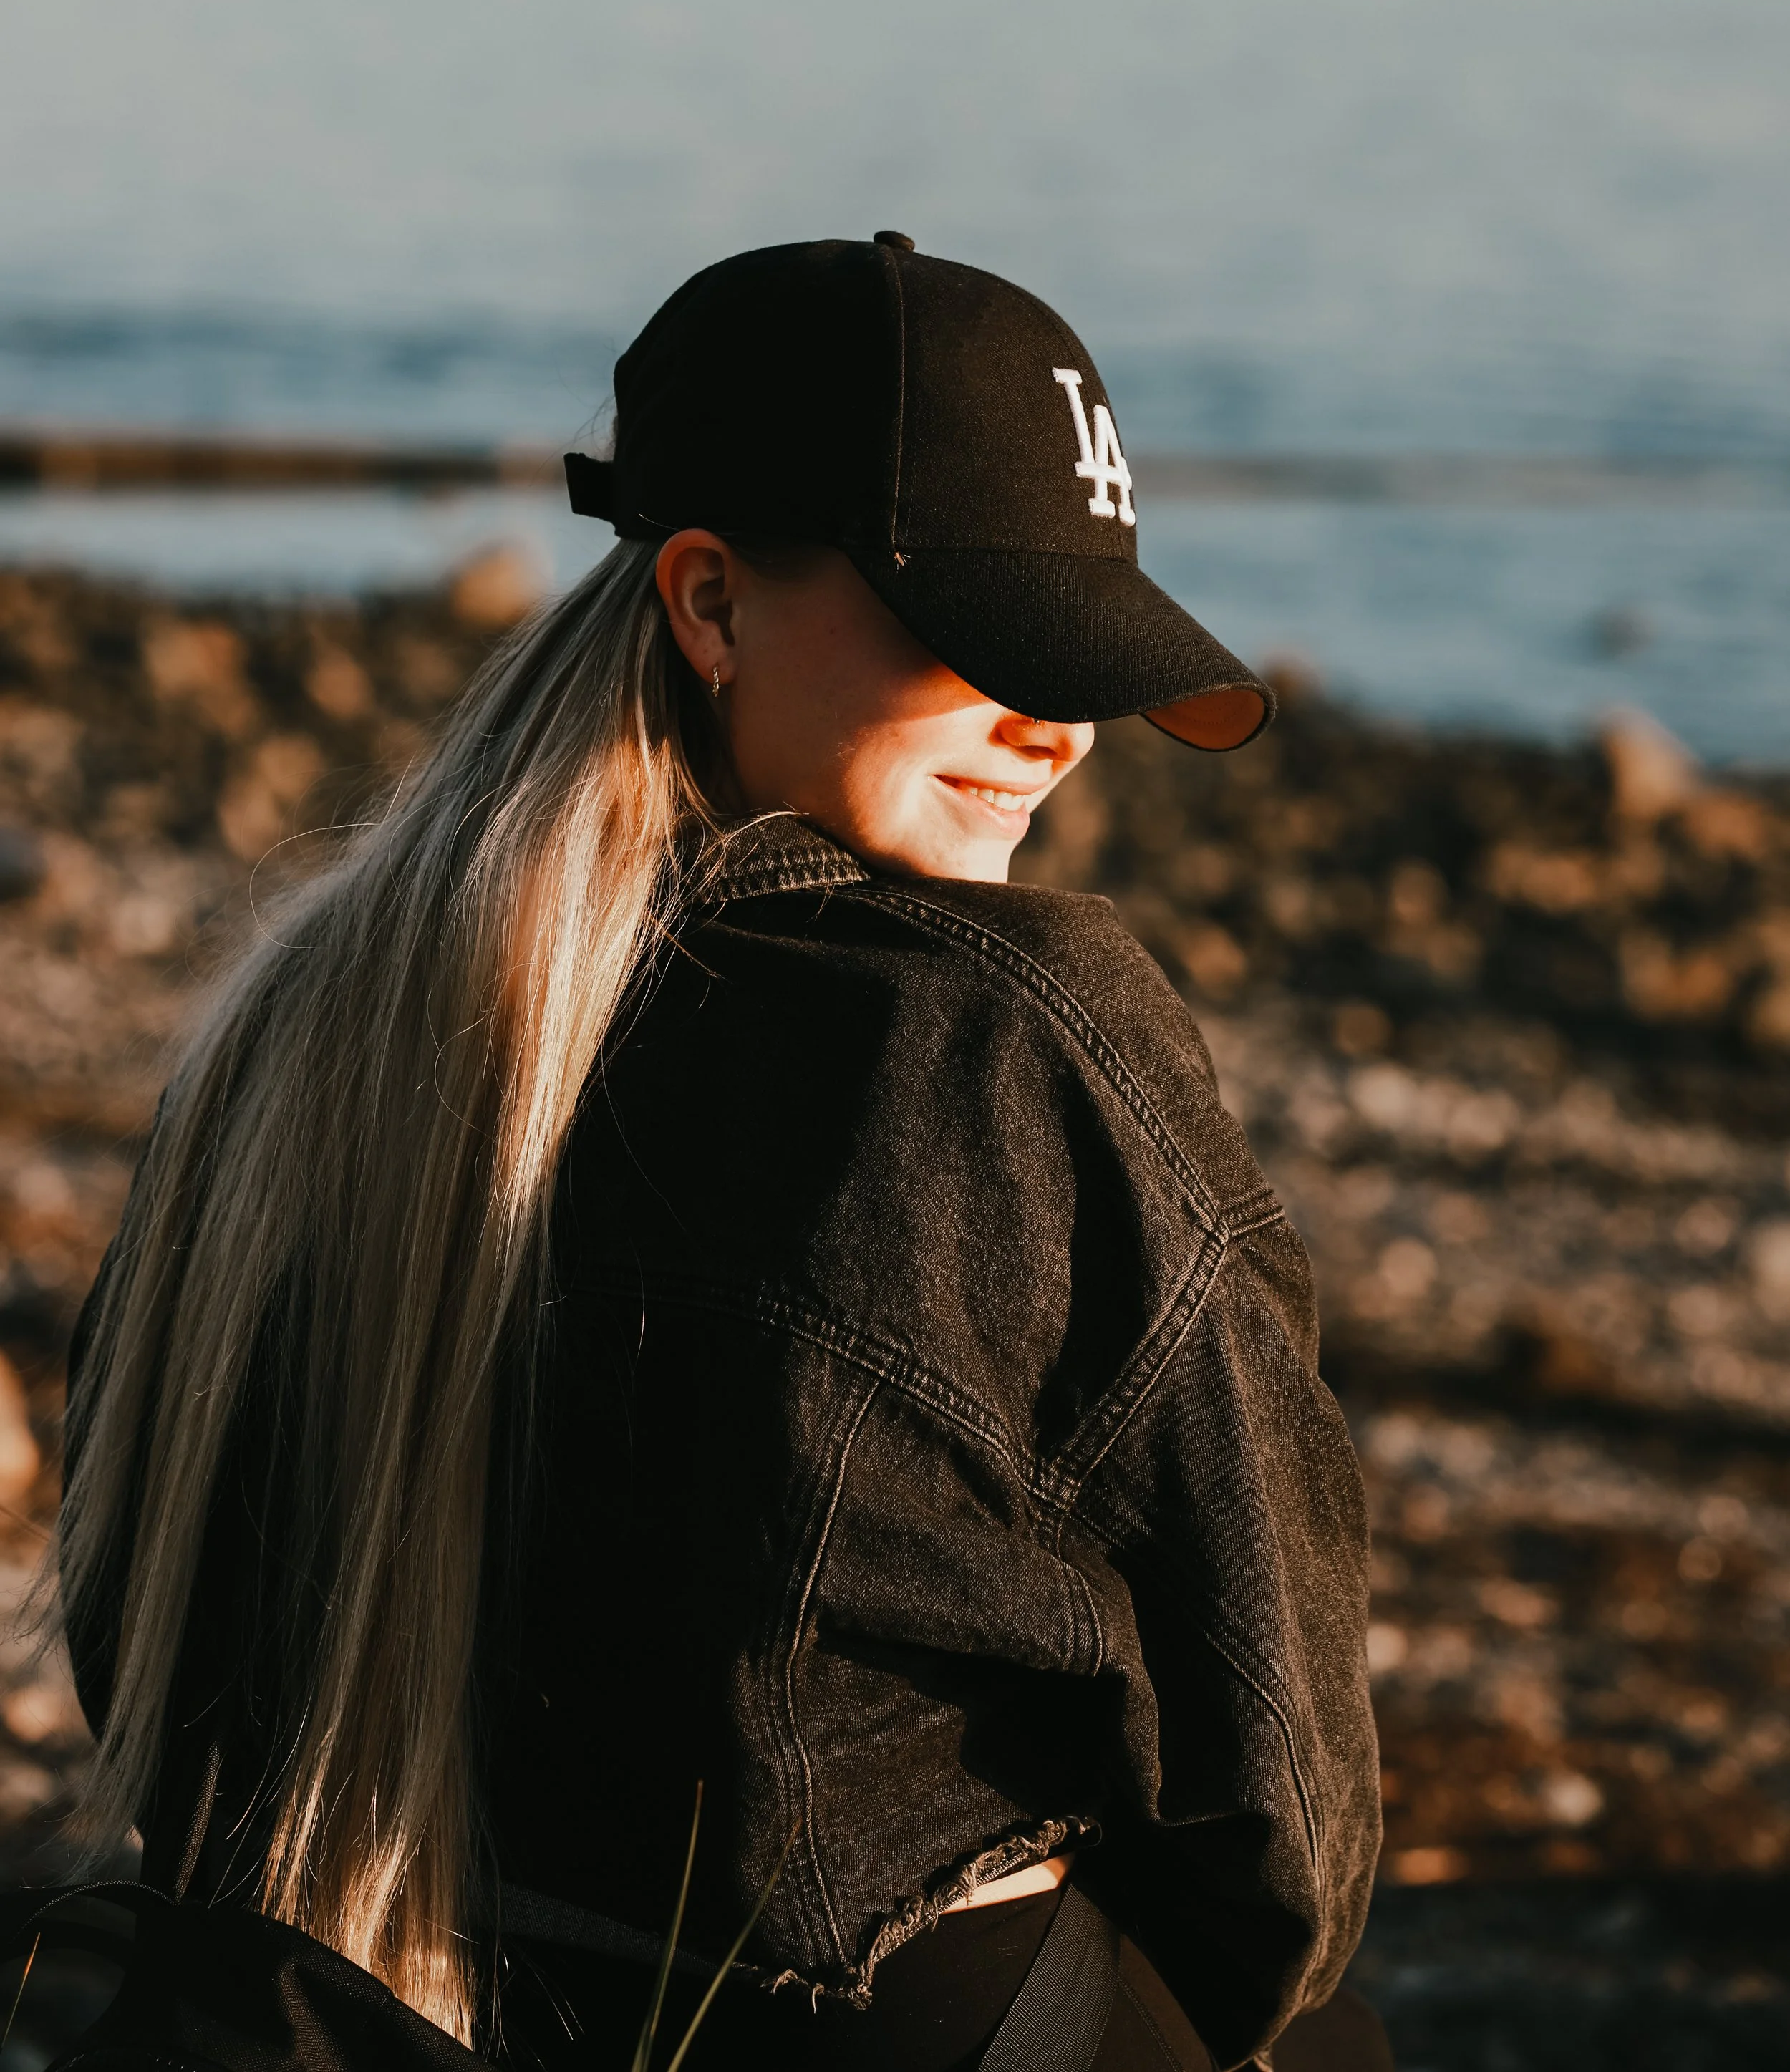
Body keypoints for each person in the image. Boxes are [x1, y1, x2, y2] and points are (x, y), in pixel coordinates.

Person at [54, 237, 1385, 2071]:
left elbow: (145, 1618)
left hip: (385, 1995)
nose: (1056, 731)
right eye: (983, 642)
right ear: (707, 600)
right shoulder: (1005, 1031)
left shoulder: (299, 1030)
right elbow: (1278, 1791)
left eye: (1082, 660)